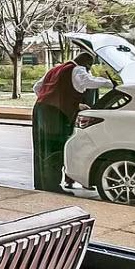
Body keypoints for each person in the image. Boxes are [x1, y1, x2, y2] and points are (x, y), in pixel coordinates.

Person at [31, 52, 115, 193]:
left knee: (42, 148)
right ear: (87, 64)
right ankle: (53, 186)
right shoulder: (78, 69)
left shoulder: (56, 69)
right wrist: (109, 83)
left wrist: (54, 100)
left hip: (40, 109)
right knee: (56, 148)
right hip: (55, 115)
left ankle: (42, 184)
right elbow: (88, 81)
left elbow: (37, 88)